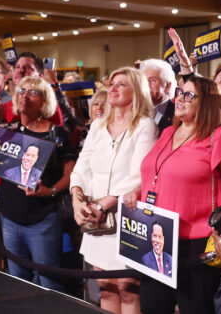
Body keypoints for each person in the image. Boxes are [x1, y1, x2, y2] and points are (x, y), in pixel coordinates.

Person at [127, 76, 221, 314]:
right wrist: (136, 191)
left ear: (206, 102)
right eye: (180, 92)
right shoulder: (167, 133)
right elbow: (155, 174)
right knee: (152, 307)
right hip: (157, 238)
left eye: (189, 95)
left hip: (198, 245)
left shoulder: (220, 136)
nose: (180, 98)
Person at [0, 75, 77, 292]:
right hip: (10, 217)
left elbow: (71, 173)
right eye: (22, 90)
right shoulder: (10, 128)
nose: (25, 95)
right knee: (18, 281)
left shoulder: (55, 133)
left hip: (42, 220)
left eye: (33, 92)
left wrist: (50, 191)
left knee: (49, 282)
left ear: (44, 101)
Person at [71, 66, 157, 314]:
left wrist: (101, 205)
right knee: (106, 288)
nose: (113, 88)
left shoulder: (145, 125)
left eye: (121, 84)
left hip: (126, 218)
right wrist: (79, 204)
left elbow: (138, 175)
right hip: (96, 221)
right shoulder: (98, 126)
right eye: (112, 83)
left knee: (128, 291)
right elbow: (80, 169)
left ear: (137, 91)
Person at [137, 58, 176, 132]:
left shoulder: (177, 114)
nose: (146, 84)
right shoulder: (135, 111)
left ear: (167, 86)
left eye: (152, 80)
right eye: (144, 80)